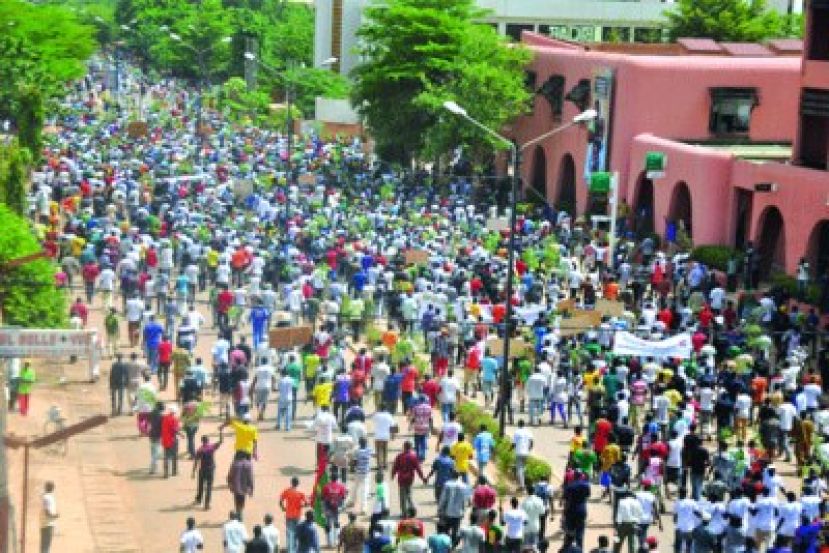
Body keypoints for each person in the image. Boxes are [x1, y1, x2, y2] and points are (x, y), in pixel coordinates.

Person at [391, 440, 426, 516]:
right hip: (410, 479)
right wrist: (423, 478)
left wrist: (392, 475)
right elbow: (418, 469)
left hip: (401, 479)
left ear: (404, 447)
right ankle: (412, 510)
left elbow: (395, 467)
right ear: (411, 447)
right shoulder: (413, 457)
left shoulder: (399, 456)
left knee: (402, 496)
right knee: (409, 495)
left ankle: (404, 513)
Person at [193, 432, 223, 509]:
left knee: (200, 485)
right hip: (211, 469)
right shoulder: (212, 447)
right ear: (208, 440)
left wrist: (193, 471)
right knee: (209, 487)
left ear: (202, 441)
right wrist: (220, 432)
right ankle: (207, 504)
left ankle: (199, 499)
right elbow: (221, 441)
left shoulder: (200, 450)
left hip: (202, 470)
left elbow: (196, 461)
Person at [280, 477, 308, 553]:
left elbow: (281, 500)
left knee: (289, 532)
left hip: (289, 515)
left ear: (291, 483)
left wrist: (283, 508)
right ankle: (296, 549)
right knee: (297, 533)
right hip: (298, 516)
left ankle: (290, 549)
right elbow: (306, 503)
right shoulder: (301, 493)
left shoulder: (287, 491)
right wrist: (301, 506)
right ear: (298, 483)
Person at [512, 419, 533, 488]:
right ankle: (526, 482)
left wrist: (509, 449)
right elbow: (531, 442)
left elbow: (514, 444)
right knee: (523, 467)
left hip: (519, 452)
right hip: (526, 452)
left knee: (519, 469)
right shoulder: (528, 431)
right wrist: (529, 449)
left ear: (518, 424)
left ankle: (522, 486)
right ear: (524, 424)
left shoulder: (517, 432)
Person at [40, 481, 58, 553]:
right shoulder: (47, 497)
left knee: (45, 546)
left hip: (46, 523)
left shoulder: (47, 496)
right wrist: (54, 515)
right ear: (52, 488)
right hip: (47, 523)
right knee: (46, 546)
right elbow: (47, 511)